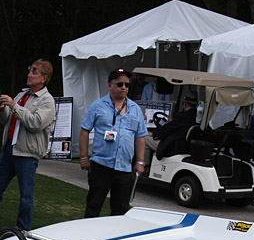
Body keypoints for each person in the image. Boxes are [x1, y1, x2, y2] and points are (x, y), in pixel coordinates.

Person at [0, 59, 56, 234]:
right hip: (10, 149)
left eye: (34, 71)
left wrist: (14, 106)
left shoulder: (47, 101)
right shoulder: (22, 95)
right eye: (30, 70)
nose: (29, 74)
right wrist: (2, 108)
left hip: (28, 153)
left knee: (26, 195)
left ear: (44, 78)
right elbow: (6, 120)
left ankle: (23, 230)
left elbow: (35, 123)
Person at [79, 69, 147, 218]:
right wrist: (84, 157)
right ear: (110, 85)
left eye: (127, 85)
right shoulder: (98, 106)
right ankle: (87, 236)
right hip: (102, 165)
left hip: (124, 168)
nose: (124, 88)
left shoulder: (135, 109)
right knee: (94, 206)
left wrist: (140, 162)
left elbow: (140, 136)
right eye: (120, 84)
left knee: (121, 209)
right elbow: (84, 130)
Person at [149, 91, 198, 160]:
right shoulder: (195, 116)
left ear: (185, 104)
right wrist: (173, 121)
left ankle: (145, 166)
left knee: (144, 140)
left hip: (174, 145)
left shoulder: (182, 116)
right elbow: (177, 125)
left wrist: (153, 133)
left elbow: (167, 129)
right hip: (184, 145)